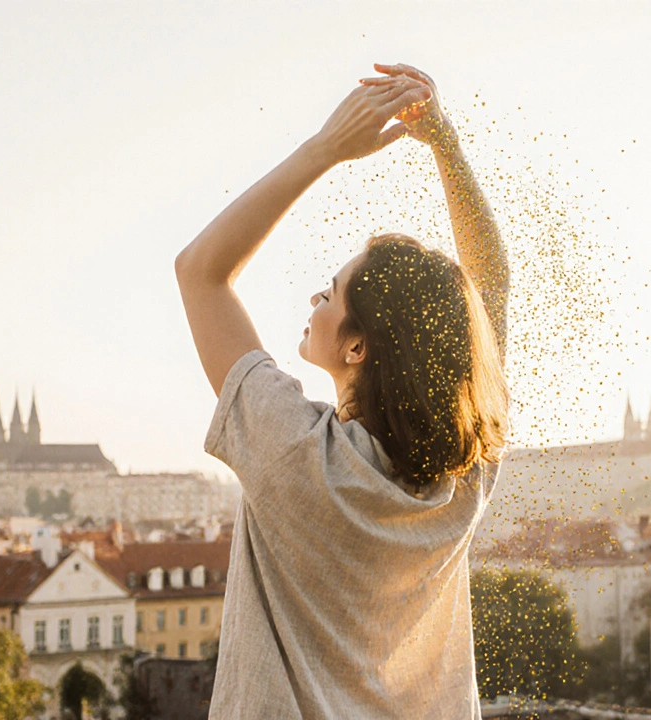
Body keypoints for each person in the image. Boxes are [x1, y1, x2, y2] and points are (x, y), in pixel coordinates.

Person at [175, 62, 509, 719]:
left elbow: (200, 272)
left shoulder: (295, 452)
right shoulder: (466, 473)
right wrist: (446, 144)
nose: (314, 297)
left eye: (329, 293)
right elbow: (489, 283)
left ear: (358, 347)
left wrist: (324, 149)